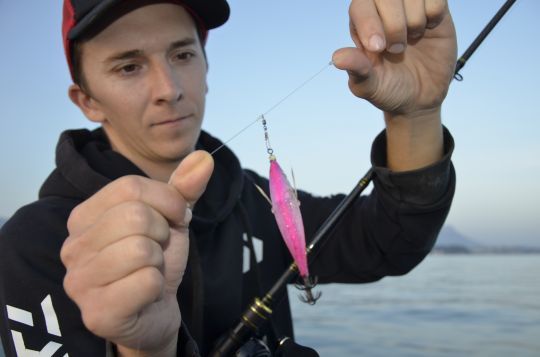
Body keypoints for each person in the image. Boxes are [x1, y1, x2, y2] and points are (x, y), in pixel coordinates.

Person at [0, 0, 457, 355]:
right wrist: (146, 350)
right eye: (129, 66)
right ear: (87, 102)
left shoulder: (256, 200)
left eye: (182, 54)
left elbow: (389, 241)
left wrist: (415, 115)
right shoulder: (33, 247)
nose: (170, 89)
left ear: (206, 66)